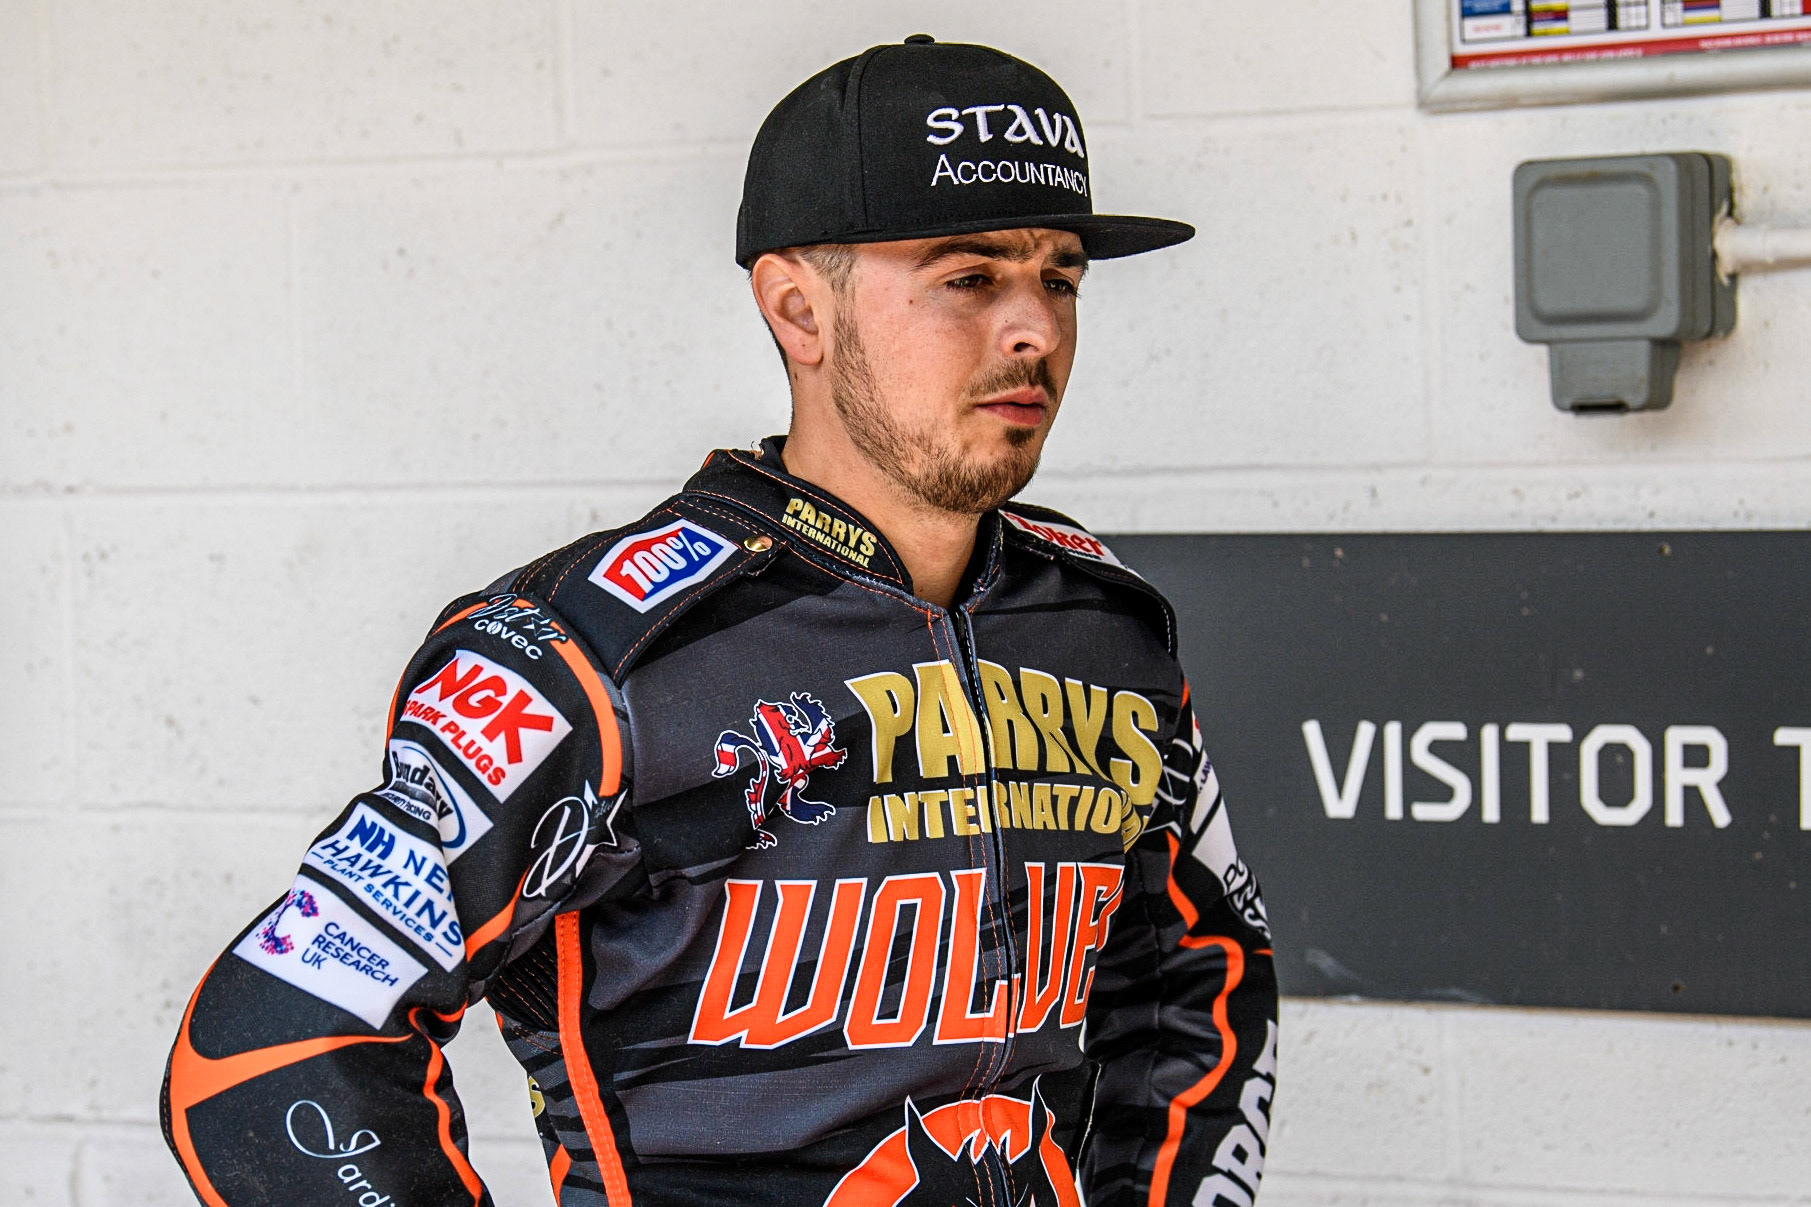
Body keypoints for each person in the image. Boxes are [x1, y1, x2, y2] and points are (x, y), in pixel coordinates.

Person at [161, 36, 1277, 1207]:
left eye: (1058, 277)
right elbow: (273, 1050)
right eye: (968, 276)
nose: (1033, 330)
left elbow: (1198, 987)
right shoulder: (589, 654)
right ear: (799, 308)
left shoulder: (1103, 628)